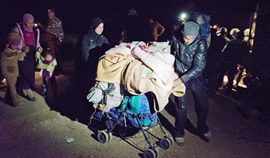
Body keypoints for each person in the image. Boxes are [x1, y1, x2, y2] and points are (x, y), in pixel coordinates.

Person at [170, 21, 211, 145]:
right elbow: (171, 54)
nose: (187, 41)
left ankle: (202, 127)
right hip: (179, 73)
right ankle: (179, 131)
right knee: (180, 106)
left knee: (202, 104)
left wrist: (180, 80)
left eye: (190, 38)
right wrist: (172, 70)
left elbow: (199, 67)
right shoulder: (176, 37)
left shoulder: (201, 43)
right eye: (185, 37)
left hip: (194, 76)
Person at [12, 13, 42, 101]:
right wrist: (21, 49)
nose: (30, 24)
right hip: (22, 53)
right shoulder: (17, 29)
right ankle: (28, 90)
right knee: (24, 71)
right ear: (24, 22)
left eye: (32, 22)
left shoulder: (36, 30)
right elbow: (12, 43)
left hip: (31, 53)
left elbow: (37, 41)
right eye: (28, 22)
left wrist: (39, 48)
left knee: (30, 71)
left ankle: (25, 89)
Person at [0, 31, 28, 106]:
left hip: (14, 72)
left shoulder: (13, 51)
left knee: (11, 86)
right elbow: (3, 64)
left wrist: (23, 52)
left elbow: (17, 56)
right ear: (10, 43)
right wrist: (5, 73)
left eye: (17, 45)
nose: (16, 47)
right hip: (9, 73)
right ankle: (14, 101)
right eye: (14, 45)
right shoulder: (5, 52)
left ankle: (8, 98)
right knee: (12, 88)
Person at [38, 8, 64, 75]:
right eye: (48, 13)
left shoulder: (58, 21)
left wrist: (59, 41)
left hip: (55, 41)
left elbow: (61, 32)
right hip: (49, 41)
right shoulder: (49, 22)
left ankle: (59, 70)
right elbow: (47, 29)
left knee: (57, 56)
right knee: (50, 55)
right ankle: (52, 69)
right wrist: (41, 25)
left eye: (50, 13)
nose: (48, 15)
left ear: (53, 13)